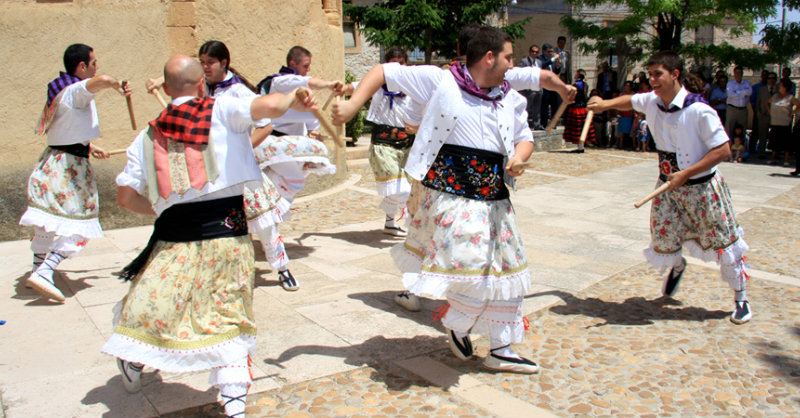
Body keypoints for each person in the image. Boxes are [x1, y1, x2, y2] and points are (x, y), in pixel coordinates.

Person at [101, 55, 318, 418]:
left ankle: (133, 361)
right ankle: (234, 404)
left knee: (157, 306)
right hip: (227, 237)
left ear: (166, 90)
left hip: (174, 238)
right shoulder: (224, 109)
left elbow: (126, 198)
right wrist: (295, 96)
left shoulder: (146, 136)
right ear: (202, 82)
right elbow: (268, 104)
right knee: (229, 314)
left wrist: (164, 209)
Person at [333, 26, 539, 373]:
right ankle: (459, 324)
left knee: (508, 271)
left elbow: (524, 137)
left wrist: (519, 158)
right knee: (470, 267)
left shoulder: (509, 98)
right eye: (508, 57)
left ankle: (502, 348)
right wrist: (354, 105)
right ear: (489, 57)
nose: (511, 65)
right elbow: (384, 72)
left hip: (496, 199)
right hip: (453, 194)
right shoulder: (439, 81)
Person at [588, 50, 752, 325]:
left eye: (657, 74)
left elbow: (723, 150)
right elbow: (631, 100)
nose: (652, 80)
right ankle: (677, 266)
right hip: (668, 188)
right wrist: (604, 105)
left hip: (703, 190)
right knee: (663, 236)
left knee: (725, 245)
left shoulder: (699, 110)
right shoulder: (653, 101)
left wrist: (686, 173)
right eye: (650, 74)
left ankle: (741, 299)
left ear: (675, 74)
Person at [20, 43, 131, 302]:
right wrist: (118, 85)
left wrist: (91, 146)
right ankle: (46, 270)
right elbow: (102, 80)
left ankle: (37, 269)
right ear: (81, 66)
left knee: (48, 219)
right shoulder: (75, 91)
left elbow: (66, 131)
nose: (97, 68)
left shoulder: (62, 92)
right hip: (69, 169)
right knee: (84, 223)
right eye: (93, 63)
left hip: (56, 161)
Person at [254, 46, 342, 289]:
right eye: (305, 64)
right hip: (274, 143)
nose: (308, 69)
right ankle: (279, 261)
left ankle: (269, 202)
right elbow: (306, 82)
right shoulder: (283, 81)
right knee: (289, 185)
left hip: (291, 147)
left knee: (290, 185)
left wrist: (314, 135)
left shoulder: (301, 94)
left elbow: (310, 118)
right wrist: (328, 84)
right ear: (293, 63)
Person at [354, 47, 416, 239]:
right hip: (383, 144)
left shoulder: (414, 87)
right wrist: (340, 88)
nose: (397, 65)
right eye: (393, 61)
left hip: (408, 145)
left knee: (408, 185)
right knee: (398, 186)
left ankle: (390, 223)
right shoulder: (377, 86)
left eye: (401, 61)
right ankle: (404, 221)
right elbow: (355, 86)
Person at [766, 78, 800, 166]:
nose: (779, 87)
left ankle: (786, 160)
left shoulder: (790, 97)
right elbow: (767, 103)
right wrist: (770, 112)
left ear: (785, 87)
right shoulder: (775, 96)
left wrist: (792, 113)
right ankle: (773, 158)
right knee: (774, 141)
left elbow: (798, 105)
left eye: (780, 85)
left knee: (786, 142)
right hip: (775, 121)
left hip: (785, 123)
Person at [563, 69, 594, 152]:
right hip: (583, 108)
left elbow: (572, 97)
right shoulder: (585, 84)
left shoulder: (576, 85)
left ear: (578, 75)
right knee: (581, 127)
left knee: (577, 128)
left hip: (576, 108)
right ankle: (581, 146)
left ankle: (580, 147)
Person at [518, 44, 543, 130]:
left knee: (537, 108)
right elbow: (521, 73)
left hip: (538, 88)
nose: (535, 53)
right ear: (530, 52)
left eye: (537, 52)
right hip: (528, 89)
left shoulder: (539, 62)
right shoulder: (524, 61)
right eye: (533, 51)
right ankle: (524, 124)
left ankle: (537, 124)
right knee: (527, 108)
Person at [538, 43, 562, 128]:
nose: (550, 53)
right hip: (545, 85)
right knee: (544, 105)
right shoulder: (540, 59)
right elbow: (543, 65)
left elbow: (556, 71)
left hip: (553, 85)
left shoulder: (552, 60)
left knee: (554, 105)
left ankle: (553, 123)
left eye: (551, 52)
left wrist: (558, 65)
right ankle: (544, 123)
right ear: (544, 51)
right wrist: (552, 59)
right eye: (549, 51)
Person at [754, 72, 777, 156]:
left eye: (773, 78)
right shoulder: (762, 89)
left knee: (775, 135)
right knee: (762, 135)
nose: (771, 80)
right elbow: (758, 102)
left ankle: (774, 154)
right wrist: (759, 113)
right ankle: (761, 152)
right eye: (769, 78)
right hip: (763, 115)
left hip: (775, 116)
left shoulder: (778, 89)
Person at [725, 66, 751, 139]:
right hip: (732, 109)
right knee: (729, 130)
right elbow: (730, 94)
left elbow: (749, 92)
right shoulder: (730, 84)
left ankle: (741, 148)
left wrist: (737, 93)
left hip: (743, 110)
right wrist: (743, 93)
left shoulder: (746, 83)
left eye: (739, 73)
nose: (738, 75)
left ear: (742, 74)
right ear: (734, 74)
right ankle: (729, 148)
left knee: (742, 130)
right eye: (736, 73)